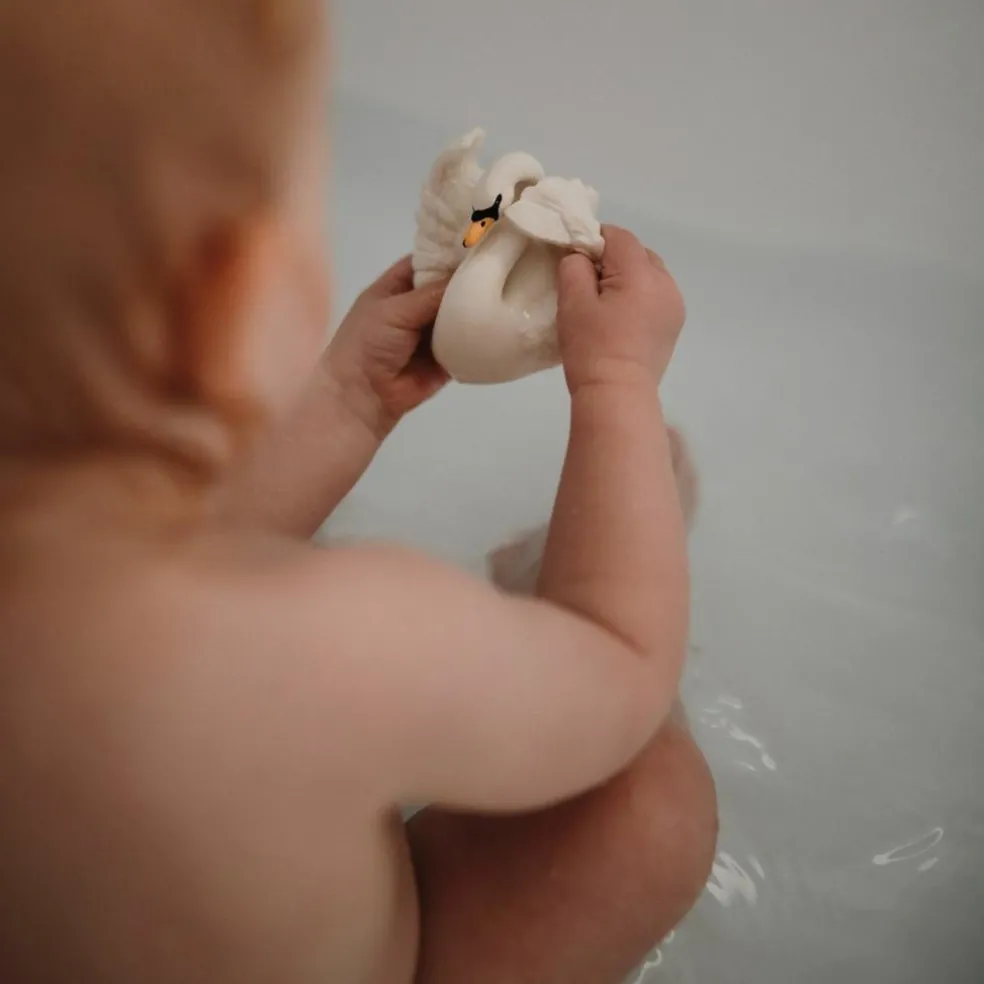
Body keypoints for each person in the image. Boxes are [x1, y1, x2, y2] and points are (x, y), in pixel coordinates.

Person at [0, 1, 717, 982]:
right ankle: (568, 567)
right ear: (239, 291)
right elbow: (619, 672)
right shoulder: (329, 648)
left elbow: (202, 552)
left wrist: (344, 402)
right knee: (648, 812)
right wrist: (616, 392)